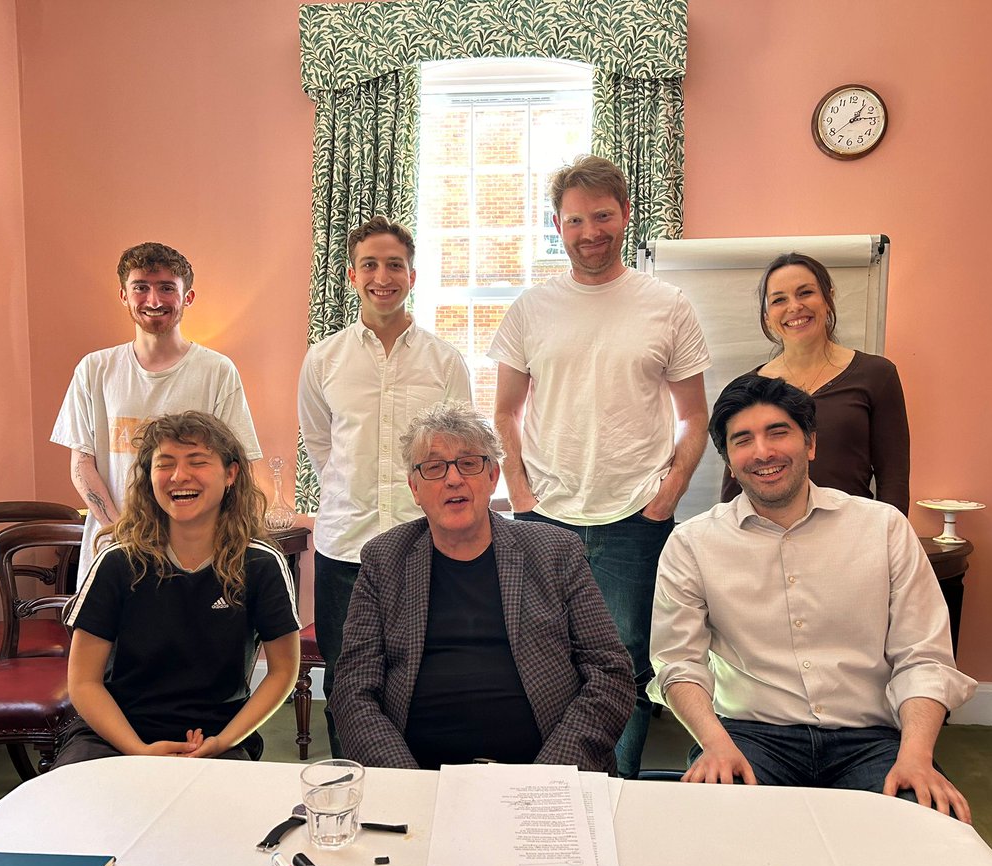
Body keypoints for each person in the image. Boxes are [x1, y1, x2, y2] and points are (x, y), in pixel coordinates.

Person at [649, 374, 976, 820]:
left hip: (871, 740)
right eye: (743, 440)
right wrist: (715, 745)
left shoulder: (882, 528)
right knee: (718, 827)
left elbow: (923, 656)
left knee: (924, 829)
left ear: (811, 444)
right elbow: (677, 661)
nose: (762, 451)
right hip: (750, 736)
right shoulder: (692, 544)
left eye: (778, 432)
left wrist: (916, 756)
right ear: (729, 462)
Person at [488, 154, 710, 776]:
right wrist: (523, 501)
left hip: (634, 521)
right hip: (544, 518)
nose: (591, 232)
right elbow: (504, 414)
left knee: (624, 665)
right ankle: (544, 795)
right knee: (534, 659)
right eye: (576, 220)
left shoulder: (667, 305)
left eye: (603, 216)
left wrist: (664, 498)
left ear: (626, 215)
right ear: (556, 225)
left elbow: (694, 415)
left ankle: (613, 794)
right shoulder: (531, 309)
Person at [331, 400, 633, 772]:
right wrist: (404, 781)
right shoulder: (384, 559)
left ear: (492, 477)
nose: (453, 479)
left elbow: (611, 674)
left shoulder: (555, 551)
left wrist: (549, 775)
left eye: (469, 463)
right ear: (414, 487)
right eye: (434, 467)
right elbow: (353, 688)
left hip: (544, 774)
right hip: (421, 775)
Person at [298, 215, 472, 757]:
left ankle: (421, 785)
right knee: (349, 680)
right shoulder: (323, 359)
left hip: (427, 545)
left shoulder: (444, 361)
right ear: (351, 276)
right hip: (345, 546)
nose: (382, 276)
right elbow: (321, 444)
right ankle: (350, 783)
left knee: (426, 672)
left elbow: (461, 454)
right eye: (369, 265)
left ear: (412, 276)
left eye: (394, 265)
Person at [56, 411, 300, 766]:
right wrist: (137, 750)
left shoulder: (262, 565)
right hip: (114, 734)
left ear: (231, 474)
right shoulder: (117, 562)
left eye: (197, 462)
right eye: (165, 464)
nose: (179, 476)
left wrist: (223, 740)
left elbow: (283, 671)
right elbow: (83, 683)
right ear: (148, 477)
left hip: (216, 736)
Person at [51, 241, 265, 585]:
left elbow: (236, 466)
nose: (154, 301)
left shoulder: (217, 371)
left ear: (187, 297)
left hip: (197, 557)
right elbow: (82, 464)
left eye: (167, 288)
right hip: (113, 552)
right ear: (124, 295)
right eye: (141, 288)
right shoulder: (95, 369)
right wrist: (120, 532)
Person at [720, 251, 910, 514]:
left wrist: (889, 539)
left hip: (850, 536)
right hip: (768, 538)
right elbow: (734, 483)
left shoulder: (877, 375)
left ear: (828, 297)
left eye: (805, 293)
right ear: (767, 316)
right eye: (779, 300)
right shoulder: (750, 389)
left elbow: (894, 480)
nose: (794, 307)